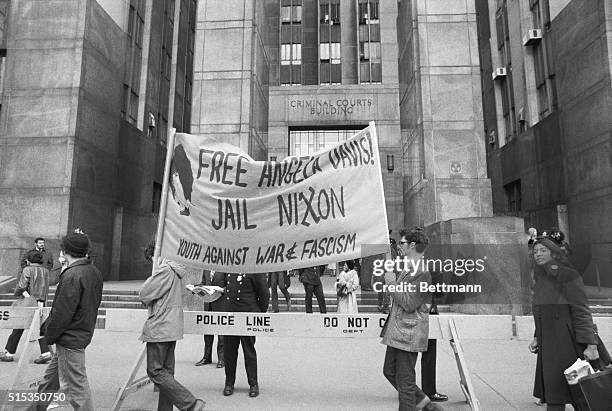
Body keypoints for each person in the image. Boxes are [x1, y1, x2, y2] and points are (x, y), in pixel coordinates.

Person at [27, 229, 103, 411]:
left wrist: (49, 334)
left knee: (76, 388)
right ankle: (36, 408)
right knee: (50, 380)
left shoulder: (72, 275)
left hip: (69, 337)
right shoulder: (93, 272)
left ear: (66, 251)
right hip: (78, 332)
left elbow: (62, 312)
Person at [529, 237, 599, 411]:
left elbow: (581, 310)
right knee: (557, 391)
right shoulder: (540, 277)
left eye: (543, 251)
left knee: (578, 390)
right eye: (535, 251)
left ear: (554, 253)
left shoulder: (568, 274)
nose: (538, 255)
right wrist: (537, 336)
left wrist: (591, 344)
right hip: (549, 341)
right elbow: (542, 311)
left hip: (569, 340)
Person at [380, 227, 444, 411]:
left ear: (412, 245)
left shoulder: (422, 272)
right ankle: (425, 404)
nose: (399, 246)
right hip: (399, 331)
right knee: (390, 371)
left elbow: (409, 303)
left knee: (405, 383)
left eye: (402, 243)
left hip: (409, 333)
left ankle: (421, 405)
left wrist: (391, 284)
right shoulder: (410, 268)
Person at [139, 256, 206, 411]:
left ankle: (190, 403)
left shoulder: (165, 269)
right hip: (172, 325)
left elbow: (144, 293)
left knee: (155, 371)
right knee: (166, 373)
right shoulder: (179, 270)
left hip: (161, 324)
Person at [222, 272, 269, 398]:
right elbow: (223, 286)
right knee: (229, 351)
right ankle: (229, 383)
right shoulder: (229, 267)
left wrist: (258, 313)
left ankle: (253, 383)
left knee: (249, 351)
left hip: (247, 314)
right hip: (230, 315)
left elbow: (264, 293)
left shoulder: (254, 268)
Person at [0, 251, 52, 364]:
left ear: (29, 260)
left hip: (29, 302)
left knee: (18, 327)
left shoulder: (27, 269)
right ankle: (46, 353)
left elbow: (21, 286)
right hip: (42, 302)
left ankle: (9, 353)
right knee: (40, 328)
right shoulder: (46, 271)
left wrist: (17, 292)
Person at [420, 270, 448, 403]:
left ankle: (406, 389)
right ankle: (428, 391)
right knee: (429, 353)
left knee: (409, 353)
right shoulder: (435, 267)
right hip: (427, 311)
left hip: (412, 310)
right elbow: (439, 292)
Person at [195, 269, 226, 368]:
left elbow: (229, 286)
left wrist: (221, 290)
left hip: (220, 304)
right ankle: (206, 357)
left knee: (221, 333)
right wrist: (196, 288)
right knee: (207, 332)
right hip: (208, 305)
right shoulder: (206, 269)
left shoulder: (224, 268)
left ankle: (221, 359)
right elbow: (203, 284)